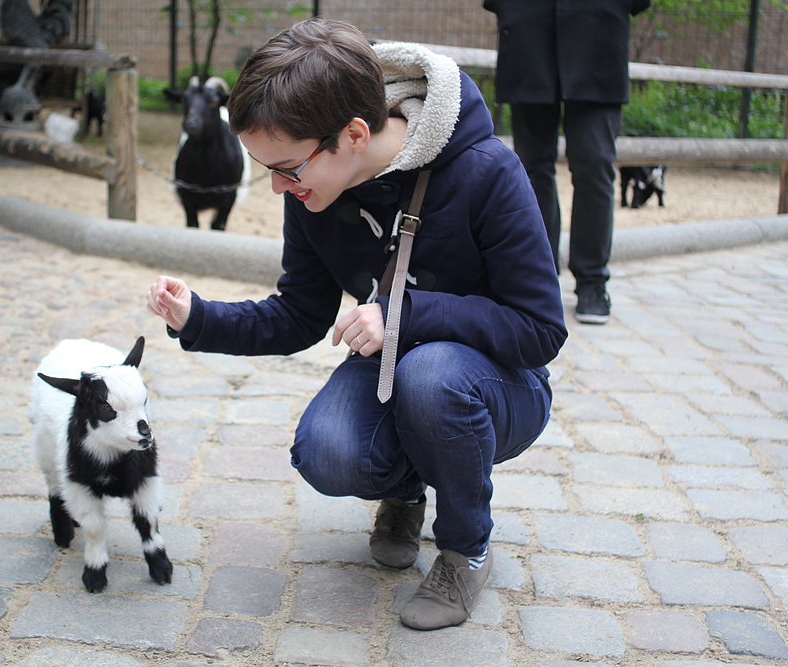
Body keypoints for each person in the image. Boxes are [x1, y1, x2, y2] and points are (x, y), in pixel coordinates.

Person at [146, 19, 566, 630]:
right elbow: (298, 315)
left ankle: (465, 549)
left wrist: (407, 314)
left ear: (353, 134)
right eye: (266, 168)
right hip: (396, 366)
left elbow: (540, 329)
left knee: (432, 376)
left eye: (287, 168)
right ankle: (406, 489)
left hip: (497, 385)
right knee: (326, 451)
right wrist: (197, 317)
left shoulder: (486, 171)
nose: (276, 187)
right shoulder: (315, 191)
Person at [484, 0, 651, 324]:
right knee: (530, 171)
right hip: (528, 34)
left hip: (598, 38)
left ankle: (592, 282)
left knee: (594, 166)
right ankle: (536, 281)